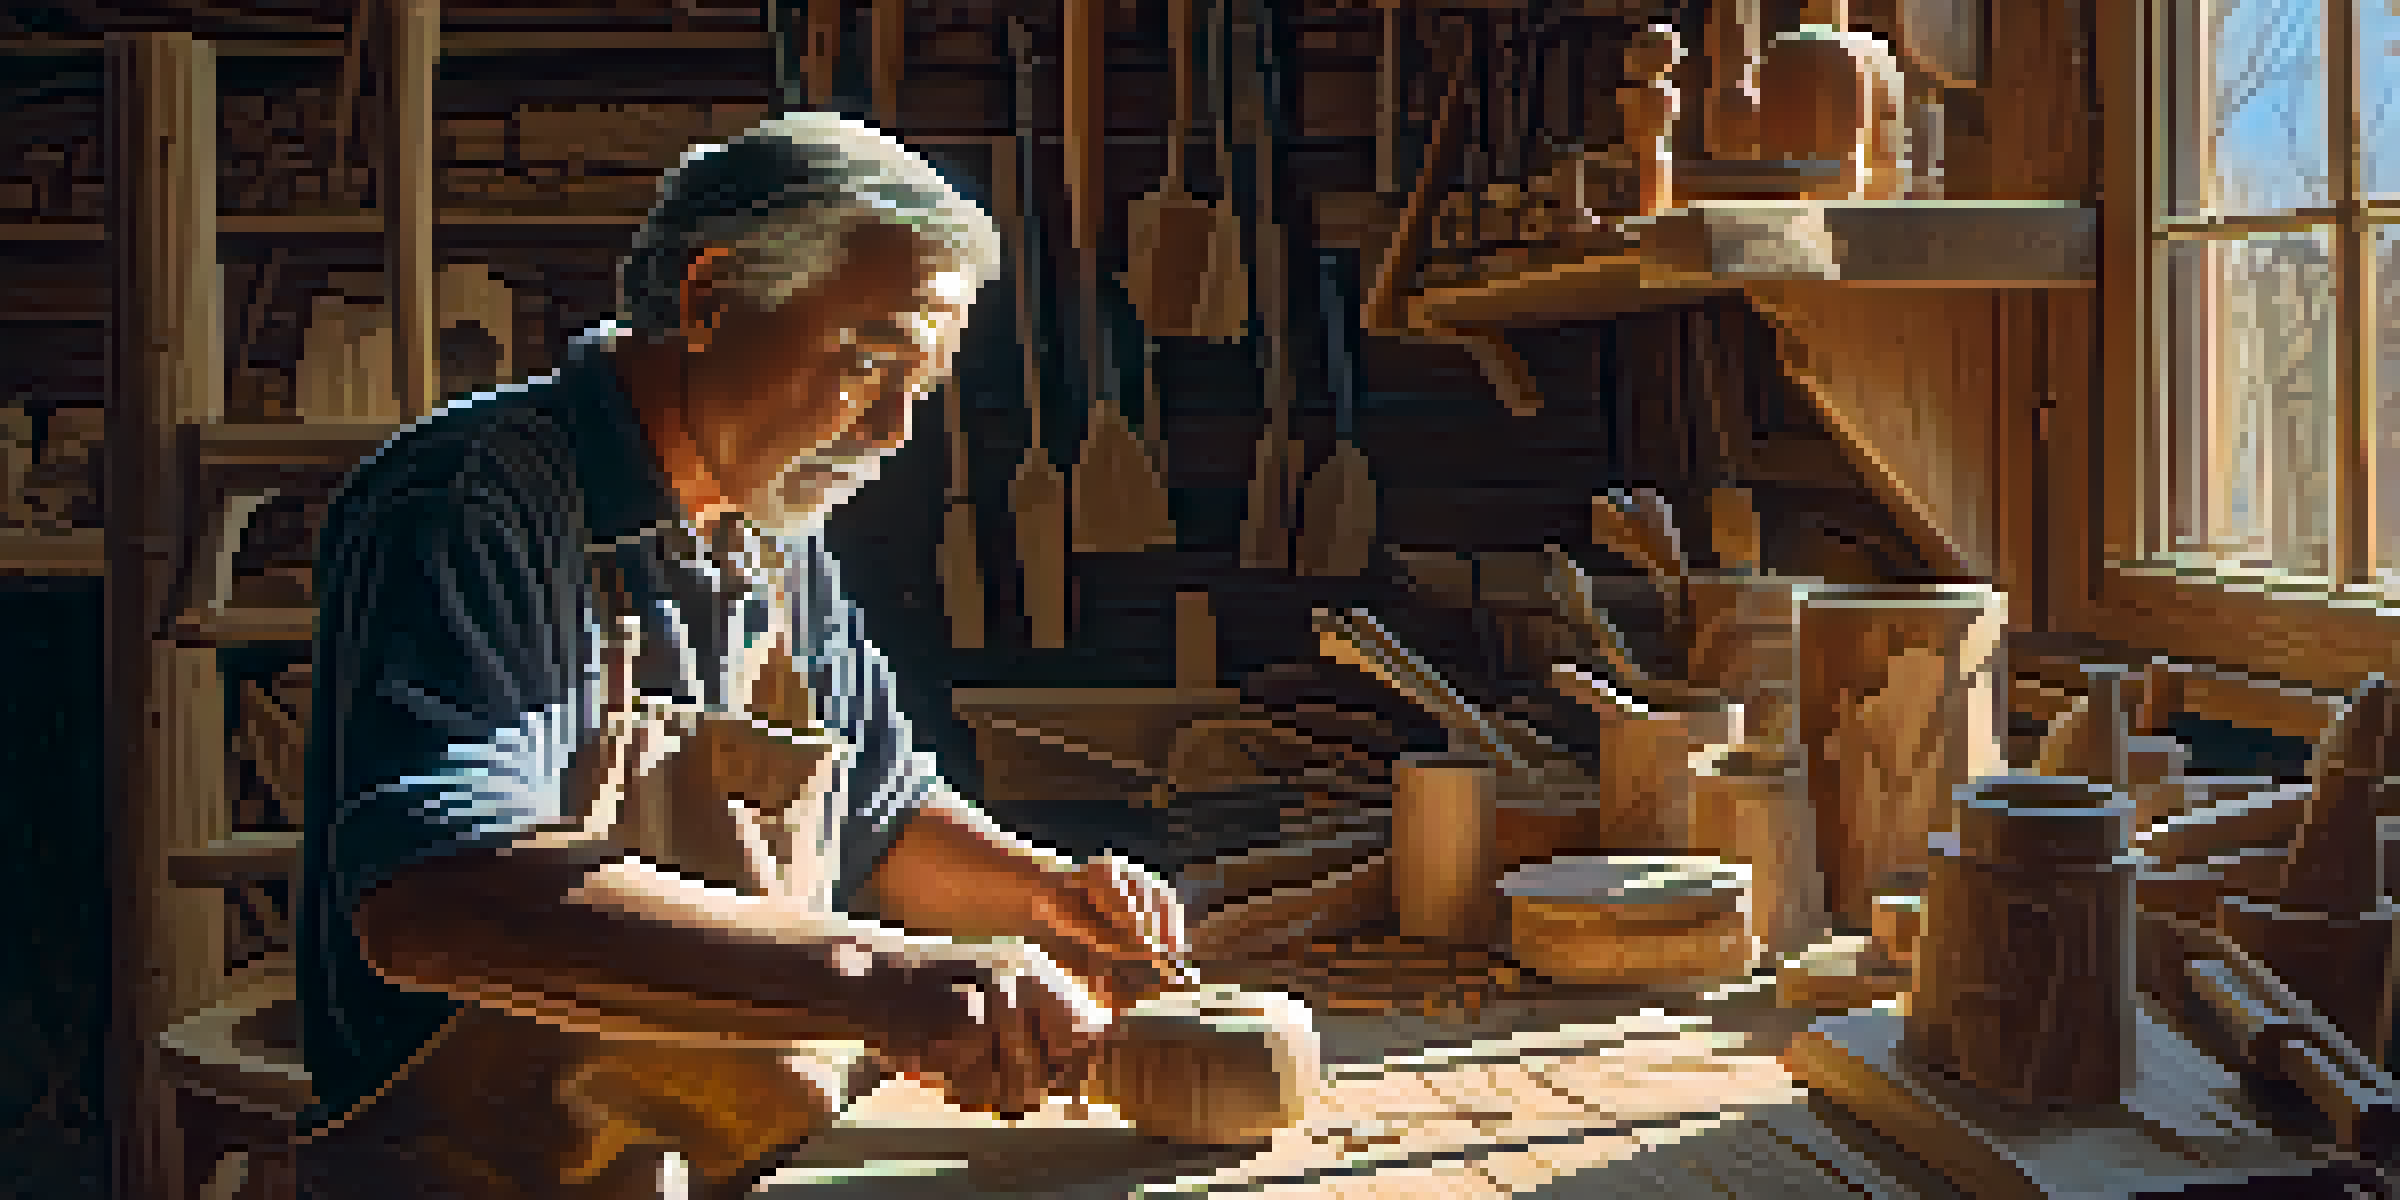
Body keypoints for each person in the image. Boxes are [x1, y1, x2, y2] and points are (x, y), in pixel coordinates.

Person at [291, 113, 1191, 1199]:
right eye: (870, 364)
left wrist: (1048, 896)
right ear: (711, 299)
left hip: (742, 1157)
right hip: (500, 1176)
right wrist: (886, 977)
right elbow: (433, 902)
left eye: (926, 381)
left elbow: (880, 813)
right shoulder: (472, 503)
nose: (898, 428)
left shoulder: (773, 536)